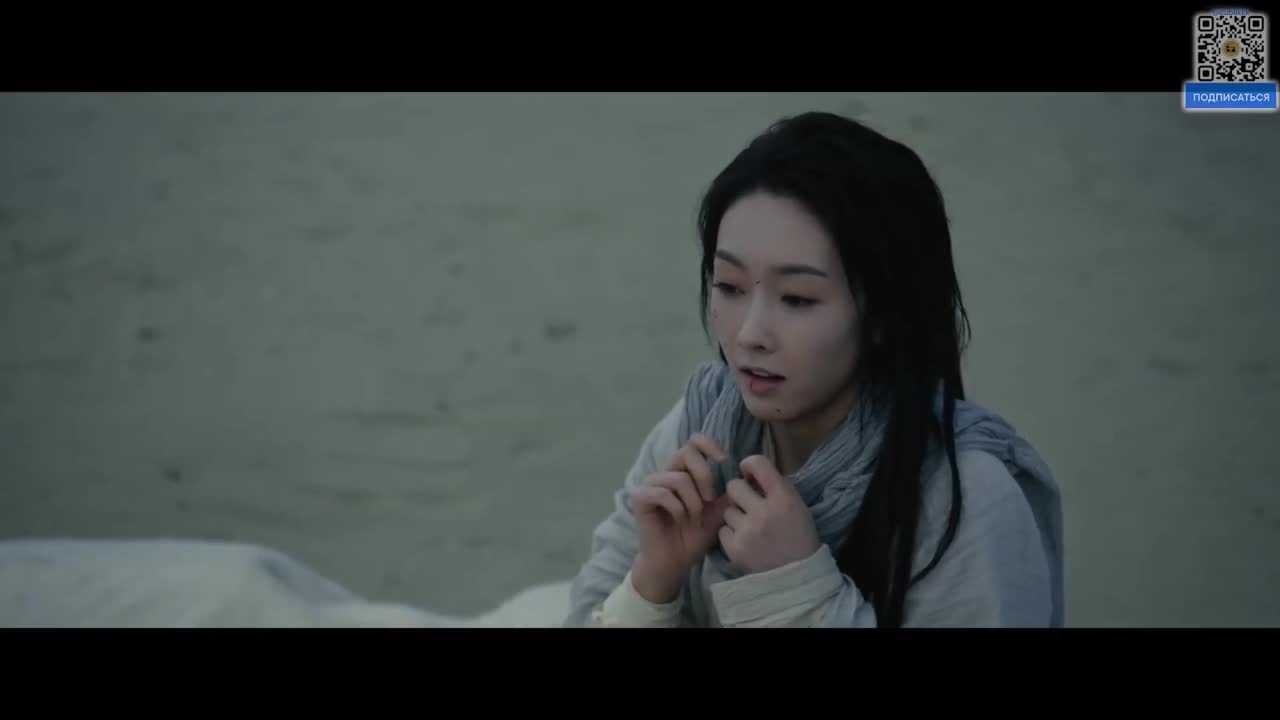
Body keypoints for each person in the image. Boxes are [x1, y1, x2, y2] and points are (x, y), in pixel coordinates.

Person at [563, 111, 1064, 628]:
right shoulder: (697, 435)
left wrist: (796, 592)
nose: (749, 333)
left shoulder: (964, 498)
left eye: (798, 298)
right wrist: (652, 584)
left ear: (883, 314)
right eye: (730, 287)